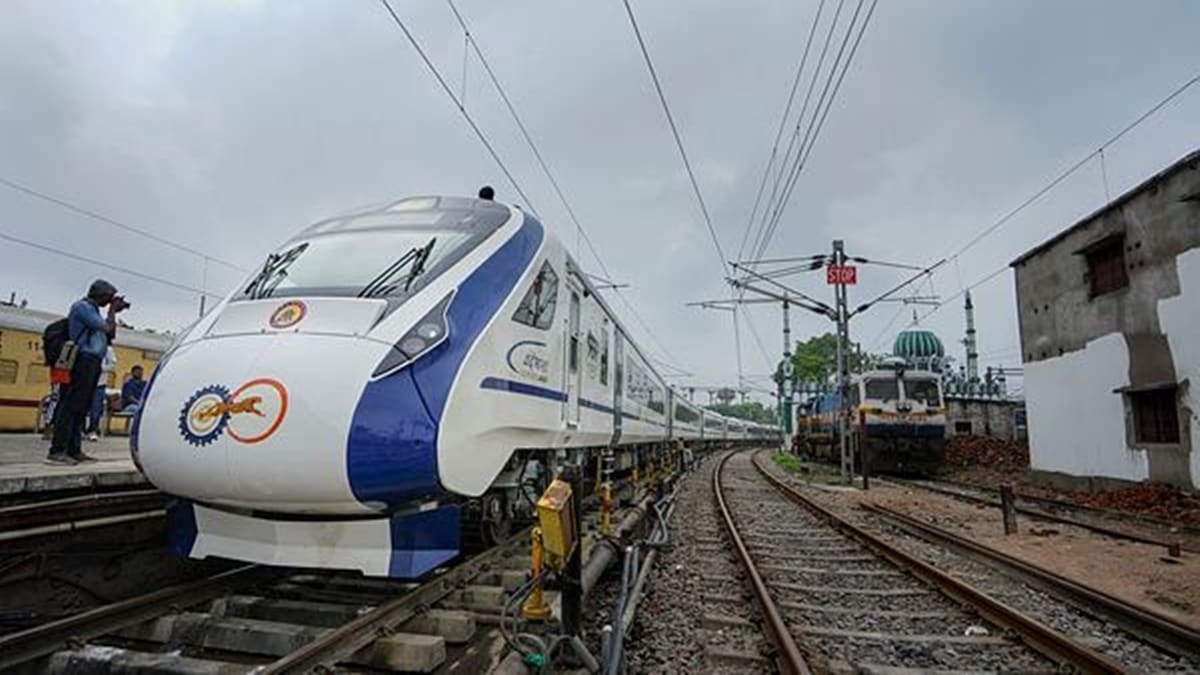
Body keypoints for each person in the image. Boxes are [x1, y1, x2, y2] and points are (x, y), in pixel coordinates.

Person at [45, 280, 129, 465]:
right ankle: (57, 450)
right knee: (69, 406)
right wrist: (112, 311)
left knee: (81, 408)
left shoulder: (95, 310)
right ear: (100, 294)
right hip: (81, 360)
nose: (109, 301)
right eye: (109, 297)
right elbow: (105, 327)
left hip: (92, 363)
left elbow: (110, 334)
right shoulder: (82, 307)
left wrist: (112, 313)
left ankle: (74, 450)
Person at [86, 346, 117, 441]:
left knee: (96, 408)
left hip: (99, 383)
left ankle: (93, 430)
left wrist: (99, 368)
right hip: (85, 381)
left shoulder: (108, 350)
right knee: (81, 407)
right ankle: (80, 429)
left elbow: (112, 365)